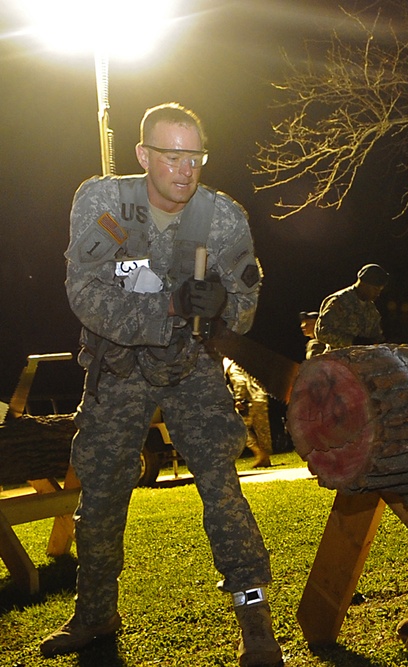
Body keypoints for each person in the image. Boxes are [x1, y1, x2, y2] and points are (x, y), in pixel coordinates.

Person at [44, 103, 282, 667]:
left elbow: (245, 302)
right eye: (171, 156)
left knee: (221, 487)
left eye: (194, 157)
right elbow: (86, 292)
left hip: (191, 369)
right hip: (119, 369)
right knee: (101, 497)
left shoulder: (221, 218)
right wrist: (170, 308)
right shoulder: (104, 205)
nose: (185, 170)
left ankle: (256, 620)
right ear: (143, 155)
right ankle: (95, 613)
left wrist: (225, 304)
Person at [314, 264, 388, 350]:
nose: (378, 294)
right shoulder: (340, 301)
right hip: (337, 360)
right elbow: (322, 333)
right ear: (363, 284)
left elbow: (376, 336)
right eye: (375, 289)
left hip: (361, 361)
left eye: (380, 290)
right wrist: (353, 342)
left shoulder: (371, 309)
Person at [226, 358, 273, 468]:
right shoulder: (248, 362)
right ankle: (266, 457)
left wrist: (239, 399)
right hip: (260, 397)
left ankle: (258, 452)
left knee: (240, 428)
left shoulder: (233, 366)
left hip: (248, 401)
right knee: (263, 430)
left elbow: (239, 382)